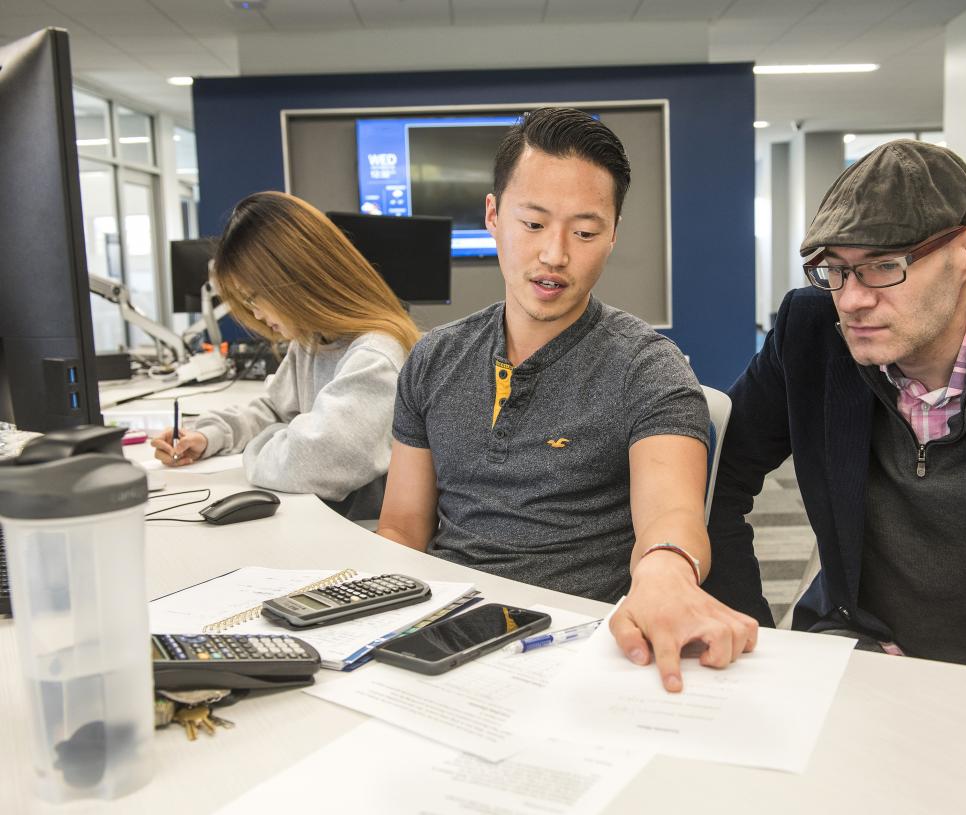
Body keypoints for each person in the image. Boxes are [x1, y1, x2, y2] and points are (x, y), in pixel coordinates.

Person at [377, 107, 759, 692]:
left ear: (612, 236)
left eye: (583, 232)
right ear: (493, 216)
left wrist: (667, 573)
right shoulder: (433, 360)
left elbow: (672, 520)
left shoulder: (647, 368)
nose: (554, 255)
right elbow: (403, 528)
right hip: (443, 643)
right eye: (533, 224)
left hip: (576, 654)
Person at [709, 139, 966, 680]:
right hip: (863, 650)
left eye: (884, 267)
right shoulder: (810, 335)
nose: (853, 299)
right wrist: (753, 637)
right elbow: (718, 479)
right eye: (835, 269)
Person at [151, 191, 420, 521]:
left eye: (255, 298)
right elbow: (274, 409)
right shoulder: (312, 341)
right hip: (319, 520)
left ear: (293, 282)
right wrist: (209, 436)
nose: (256, 314)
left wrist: (268, 442)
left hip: (362, 535)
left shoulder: (377, 355)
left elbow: (312, 462)